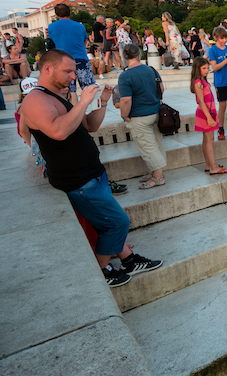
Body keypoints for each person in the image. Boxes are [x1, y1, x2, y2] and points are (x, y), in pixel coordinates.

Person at [19, 49, 161, 287]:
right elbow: (58, 131)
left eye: (73, 71)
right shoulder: (35, 100)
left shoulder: (58, 96)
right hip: (78, 181)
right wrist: (83, 100)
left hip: (93, 175)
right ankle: (101, 270)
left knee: (109, 222)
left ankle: (128, 260)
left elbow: (89, 126)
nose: (73, 76)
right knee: (118, 223)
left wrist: (102, 102)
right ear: (47, 68)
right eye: (67, 71)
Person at [117, 44, 167, 189]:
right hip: (156, 112)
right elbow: (161, 89)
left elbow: (126, 100)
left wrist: (124, 115)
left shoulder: (125, 76)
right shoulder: (151, 70)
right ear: (139, 55)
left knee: (148, 147)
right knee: (156, 144)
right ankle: (155, 172)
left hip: (139, 116)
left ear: (125, 57)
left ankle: (158, 177)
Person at [190, 57, 227, 176]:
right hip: (205, 113)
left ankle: (209, 164)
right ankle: (213, 167)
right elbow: (201, 102)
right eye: (204, 68)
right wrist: (209, 117)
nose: (207, 70)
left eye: (207, 68)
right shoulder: (198, 83)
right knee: (209, 140)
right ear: (197, 69)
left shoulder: (203, 81)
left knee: (206, 140)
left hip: (209, 112)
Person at [47, 3, 95, 101]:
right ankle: (92, 108)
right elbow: (85, 40)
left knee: (70, 90)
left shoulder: (52, 27)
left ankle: (74, 111)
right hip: (81, 58)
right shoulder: (80, 26)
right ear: (70, 13)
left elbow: (51, 41)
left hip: (63, 60)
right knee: (88, 87)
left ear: (56, 14)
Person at [206, 26, 227, 141]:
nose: (224, 40)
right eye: (221, 38)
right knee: (222, 106)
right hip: (220, 82)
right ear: (216, 38)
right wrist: (226, 60)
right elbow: (215, 67)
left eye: (225, 38)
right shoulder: (212, 50)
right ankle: (220, 128)